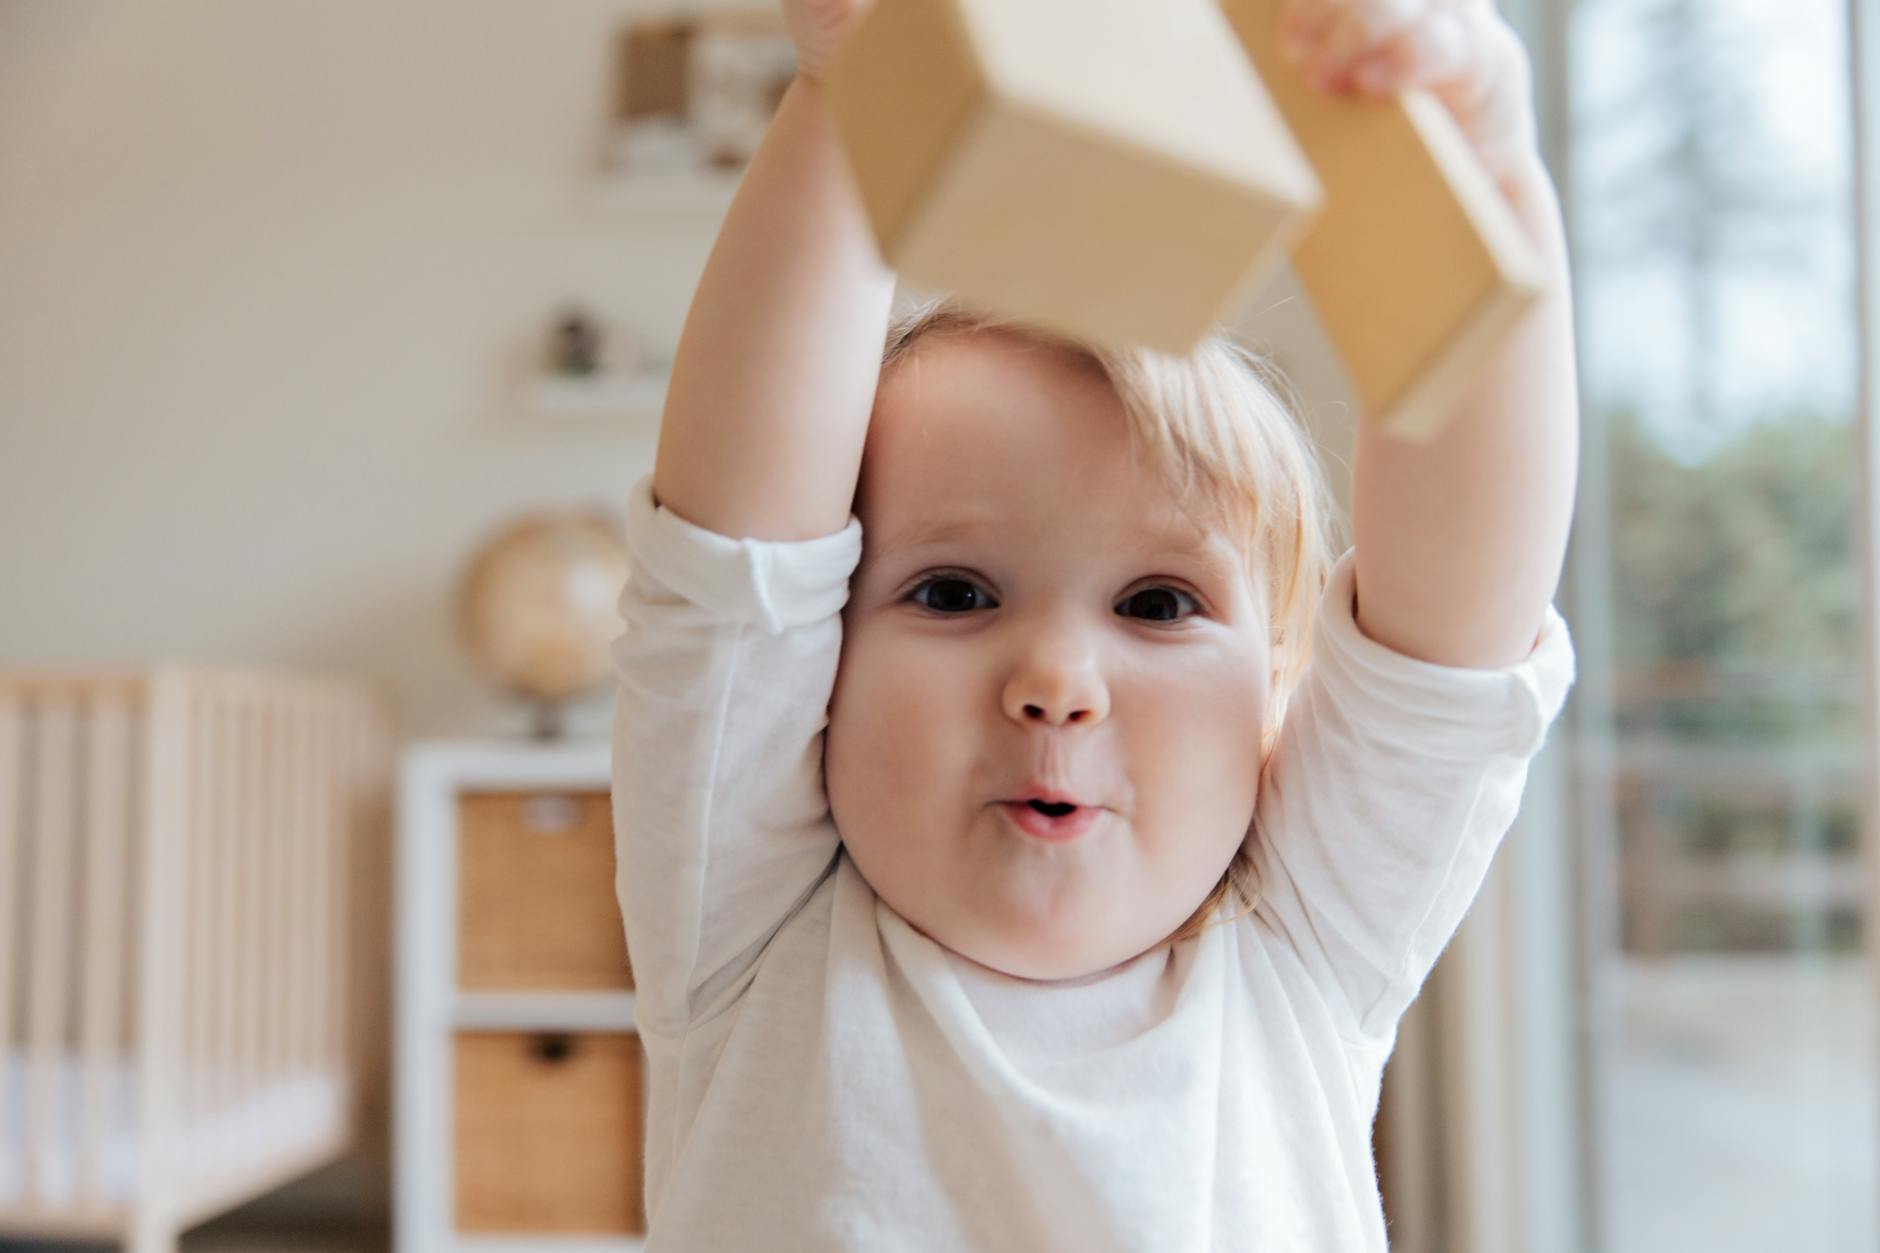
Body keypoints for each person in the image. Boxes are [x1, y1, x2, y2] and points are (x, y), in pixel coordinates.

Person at [608, 0, 1579, 1246]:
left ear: (1274, 695)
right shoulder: (749, 918)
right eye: (953, 592)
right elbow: (734, 564)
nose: (1057, 681)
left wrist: (1486, 171)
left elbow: (1454, 633)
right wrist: (859, 89)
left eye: (1157, 605)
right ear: (819, 671)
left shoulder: (1300, 940)